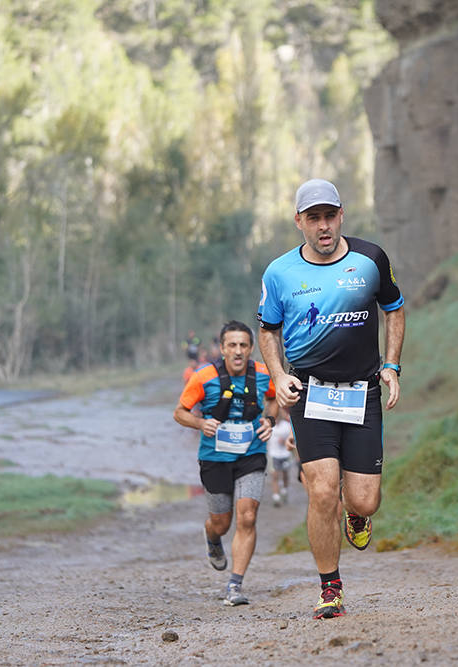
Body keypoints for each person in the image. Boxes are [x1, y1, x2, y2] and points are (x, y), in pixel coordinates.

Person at [257, 178, 405, 619]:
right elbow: (268, 330)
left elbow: (394, 309)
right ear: (299, 221)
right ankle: (330, 587)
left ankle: (356, 516)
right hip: (310, 392)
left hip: (363, 392)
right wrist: (279, 374)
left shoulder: (371, 259)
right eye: (313, 218)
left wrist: (392, 366)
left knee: (363, 500)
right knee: (322, 491)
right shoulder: (280, 272)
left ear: (342, 216)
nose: (323, 226)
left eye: (330, 216)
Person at [173, 320, 279, 606]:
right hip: (214, 458)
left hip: (251, 454)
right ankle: (211, 536)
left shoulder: (263, 374)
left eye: (243, 345)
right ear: (222, 348)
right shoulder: (203, 377)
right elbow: (180, 412)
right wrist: (199, 423)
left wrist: (270, 420)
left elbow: (273, 400)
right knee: (222, 522)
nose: (238, 351)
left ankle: (235, 584)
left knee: (247, 516)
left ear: (251, 348)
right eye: (232, 345)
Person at [266, 411, 296, 506]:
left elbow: (292, 440)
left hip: (285, 454)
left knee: (285, 474)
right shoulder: (269, 427)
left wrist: (284, 441)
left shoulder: (286, 426)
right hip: (273, 455)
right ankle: (276, 497)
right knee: (274, 475)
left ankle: (285, 490)